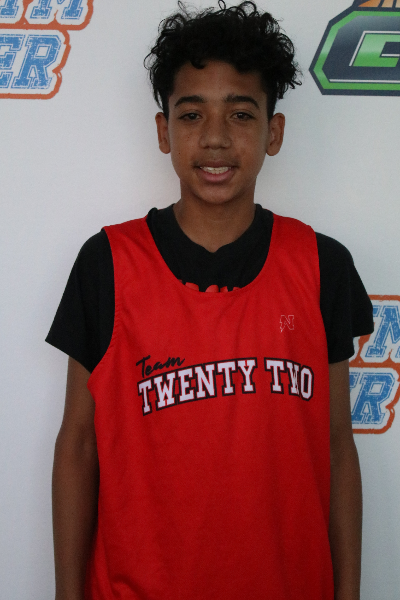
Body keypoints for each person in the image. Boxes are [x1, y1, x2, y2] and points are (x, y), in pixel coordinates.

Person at [47, 2, 374, 599]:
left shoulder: (321, 265)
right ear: (163, 130)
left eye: (241, 114)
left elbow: (336, 447)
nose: (216, 137)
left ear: (274, 132)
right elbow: (78, 445)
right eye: (192, 114)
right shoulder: (108, 264)